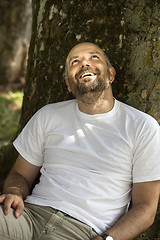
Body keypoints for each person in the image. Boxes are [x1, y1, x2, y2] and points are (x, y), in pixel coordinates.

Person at [0, 42, 160, 240]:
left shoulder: (142, 127)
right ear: (68, 83)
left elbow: (146, 208)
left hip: (82, 231)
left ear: (111, 74)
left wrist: (108, 239)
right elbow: (19, 174)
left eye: (94, 57)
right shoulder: (48, 115)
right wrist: (14, 193)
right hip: (27, 217)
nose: (85, 64)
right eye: (75, 61)